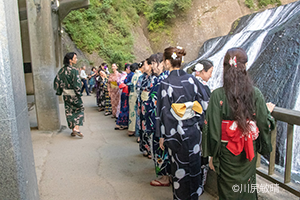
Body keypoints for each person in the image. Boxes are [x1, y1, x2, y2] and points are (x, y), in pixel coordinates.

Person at [202, 47, 276, 200]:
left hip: (225, 152)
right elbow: (264, 123)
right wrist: (267, 113)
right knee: (247, 189)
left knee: (227, 189)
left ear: (225, 68)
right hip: (247, 150)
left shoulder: (217, 95)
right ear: (245, 67)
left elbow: (212, 129)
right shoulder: (255, 94)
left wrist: (213, 156)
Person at [156, 46, 210, 199]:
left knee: (179, 168)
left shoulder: (165, 83)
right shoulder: (192, 80)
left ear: (167, 62)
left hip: (176, 132)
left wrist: (162, 135)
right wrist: (197, 122)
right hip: (193, 131)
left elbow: (164, 112)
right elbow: (204, 102)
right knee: (194, 166)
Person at [144, 53, 170, 187]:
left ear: (161, 64)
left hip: (159, 122)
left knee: (161, 148)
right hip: (156, 121)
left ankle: (165, 177)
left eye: (154, 63)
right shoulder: (159, 79)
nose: (152, 66)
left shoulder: (163, 80)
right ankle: (165, 174)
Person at [192, 59, 214, 188]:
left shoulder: (189, 83)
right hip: (200, 126)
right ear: (201, 71)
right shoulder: (202, 87)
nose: (211, 75)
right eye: (210, 72)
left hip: (188, 127)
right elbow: (205, 108)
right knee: (200, 158)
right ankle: (198, 186)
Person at [53, 52, 84, 138]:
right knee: (79, 109)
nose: (76, 59)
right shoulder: (74, 71)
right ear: (70, 60)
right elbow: (77, 84)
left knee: (69, 111)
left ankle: (73, 129)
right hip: (74, 94)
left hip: (66, 94)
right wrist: (79, 93)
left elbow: (56, 82)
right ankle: (76, 128)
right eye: (75, 58)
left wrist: (59, 91)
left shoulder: (61, 70)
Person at [137, 57, 154, 159]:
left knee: (149, 126)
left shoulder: (154, 77)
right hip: (143, 103)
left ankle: (151, 150)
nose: (144, 66)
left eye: (145, 64)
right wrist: (138, 105)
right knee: (143, 126)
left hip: (150, 104)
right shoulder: (142, 77)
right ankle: (145, 148)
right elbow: (138, 91)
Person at [115, 64, 135, 130]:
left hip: (124, 92)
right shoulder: (131, 75)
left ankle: (119, 123)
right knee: (125, 108)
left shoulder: (127, 75)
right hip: (127, 92)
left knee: (123, 107)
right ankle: (123, 123)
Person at [128, 62, 143, 137]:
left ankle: (131, 129)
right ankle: (133, 129)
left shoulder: (135, 74)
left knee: (132, 112)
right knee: (135, 113)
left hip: (131, 94)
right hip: (135, 96)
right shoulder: (139, 75)